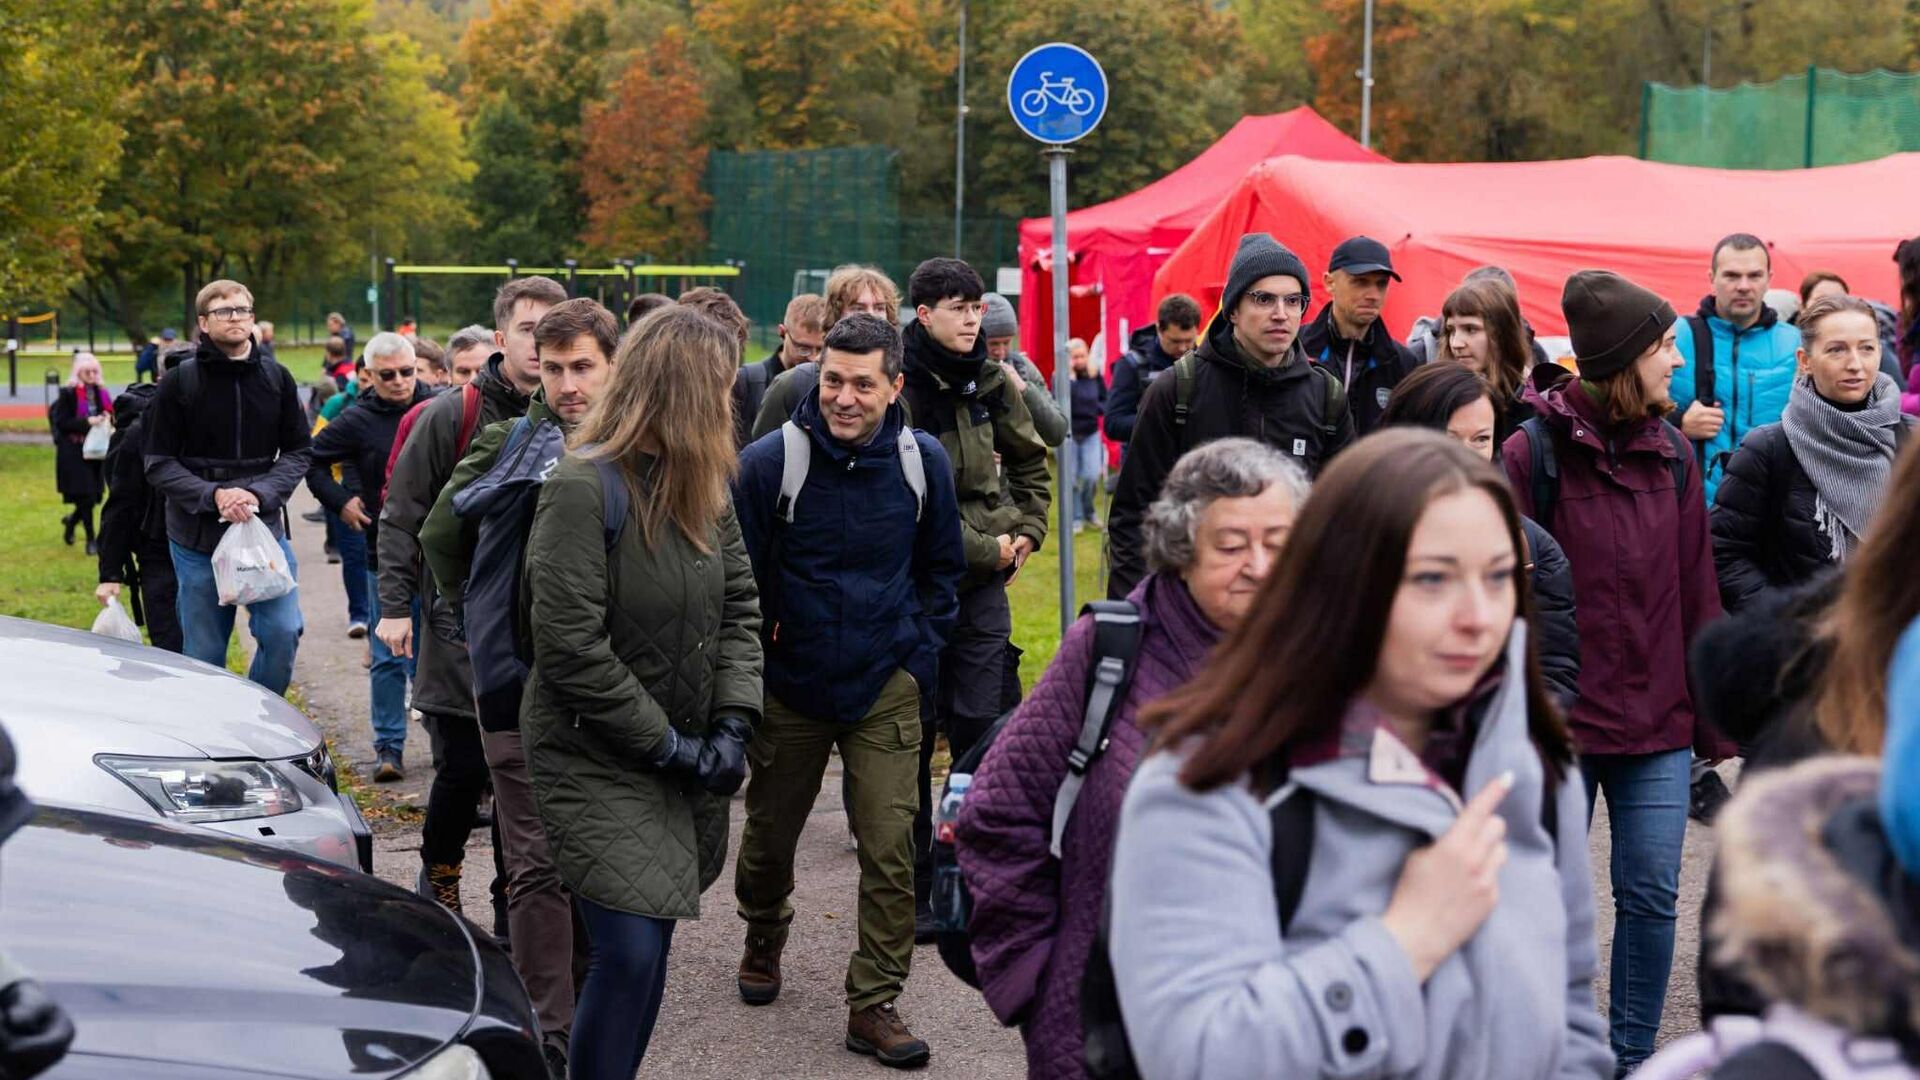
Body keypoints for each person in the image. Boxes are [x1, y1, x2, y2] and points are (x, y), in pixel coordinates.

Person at [1106, 429, 1609, 1080]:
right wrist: (1404, 943)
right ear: (1341, 584)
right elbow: (1199, 1057)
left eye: (1499, 577)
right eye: (1432, 579)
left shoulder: (1537, 764)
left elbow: (1571, 1016)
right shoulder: (1207, 779)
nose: (1479, 617)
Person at [957, 438, 1307, 1080]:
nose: (1259, 565)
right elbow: (998, 815)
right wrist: (1040, 985)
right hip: (1105, 1037)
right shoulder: (1111, 648)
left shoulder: (1324, 664)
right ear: (1181, 548)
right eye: (1231, 546)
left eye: (1279, 543)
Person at [521, 305, 762, 1080]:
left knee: (649, 945)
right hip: (594, 753)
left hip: (683, 759)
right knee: (626, 948)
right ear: (684, 391)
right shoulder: (582, 487)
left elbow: (742, 613)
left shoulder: (705, 486)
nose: (730, 403)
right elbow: (568, 647)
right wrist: (667, 744)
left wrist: (732, 722)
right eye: (718, 389)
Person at [1502, 270, 1729, 1072]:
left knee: (1651, 895)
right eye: (1665, 346)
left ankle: (1631, 1056)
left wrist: (1713, 718)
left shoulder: (1674, 454)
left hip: (1660, 722)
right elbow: (1506, 592)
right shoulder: (1531, 454)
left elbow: (1699, 589)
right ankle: (1552, 1051)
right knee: (1547, 901)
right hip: (1562, 723)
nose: (1677, 361)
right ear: (1625, 358)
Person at [730, 313, 965, 1068]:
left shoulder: (921, 461)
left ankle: (874, 1002)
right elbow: (740, 581)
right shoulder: (770, 463)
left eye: (864, 383)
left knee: (893, 847)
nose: (845, 397)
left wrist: (916, 658)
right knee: (768, 841)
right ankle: (763, 931)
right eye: (833, 379)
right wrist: (759, 655)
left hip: (884, 684)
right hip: (791, 686)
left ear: (894, 386)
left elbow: (942, 574)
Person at [416, 298, 619, 1010]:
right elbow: (439, 536)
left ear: (613, 368)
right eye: (555, 368)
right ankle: (551, 1025)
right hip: (514, 684)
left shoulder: (638, 450)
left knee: (585, 857)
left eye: (583, 368)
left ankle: (585, 1003)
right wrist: (481, 616)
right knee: (536, 861)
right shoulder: (505, 442)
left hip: (609, 687)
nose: (567, 385)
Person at [378, 275, 562, 1054]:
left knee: (524, 787)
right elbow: (407, 516)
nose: (539, 343)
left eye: (552, 331)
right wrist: (394, 607)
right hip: (459, 630)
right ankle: (442, 873)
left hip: (539, 639)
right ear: (501, 335)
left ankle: (512, 914)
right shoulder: (448, 416)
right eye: (527, 329)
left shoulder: (581, 414)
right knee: (461, 768)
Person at [894, 257, 1052, 940]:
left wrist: (1030, 530)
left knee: (982, 728)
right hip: (914, 591)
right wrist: (991, 548)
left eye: (977, 305)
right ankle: (918, 889)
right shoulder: (897, 386)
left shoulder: (992, 380)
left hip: (985, 590)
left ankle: (972, 872)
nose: (971, 319)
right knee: (908, 738)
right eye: (956, 307)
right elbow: (910, 504)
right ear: (923, 313)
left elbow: (1030, 461)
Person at [1107, 232, 1356, 601]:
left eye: (1293, 300)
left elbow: (1346, 517)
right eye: (1263, 298)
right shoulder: (1179, 388)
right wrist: (1138, 618)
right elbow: (1134, 515)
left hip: (1289, 610)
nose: (1280, 313)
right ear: (1233, 310)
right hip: (1193, 608)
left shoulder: (1325, 395)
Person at [1380, 361, 1581, 708]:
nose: (1466, 455)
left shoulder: (1529, 547)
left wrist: (1504, 737)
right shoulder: (1358, 532)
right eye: (1450, 438)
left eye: (1481, 439)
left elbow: (1553, 673)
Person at [143, 279, 309, 694]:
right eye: (223, 311)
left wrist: (259, 494)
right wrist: (212, 495)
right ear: (203, 321)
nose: (234, 318)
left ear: (252, 318)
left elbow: (298, 451)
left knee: (283, 631)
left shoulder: (277, 378)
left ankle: (259, 715)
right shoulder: (180, 383)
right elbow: (158, 462)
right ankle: (214, 736)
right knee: (204, 651)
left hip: (261, 531)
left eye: (242, 310)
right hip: (196, 536)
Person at [1711, 295, 1913, 613]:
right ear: (1805, 360)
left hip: (1898, 641)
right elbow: (1725, 553)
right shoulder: (1769, 448)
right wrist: (1786, 622)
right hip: (1807, 647)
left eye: (1867, 348)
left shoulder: (1912, 439)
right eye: (1836, 349)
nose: (1855, 364)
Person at [305, 332, 436, 781]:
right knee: (388, 654)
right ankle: (388, 748)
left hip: (442, 551)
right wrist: (341, 502)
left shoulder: (439, 407)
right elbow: (313, 461)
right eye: (388, 375)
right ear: (370, 375)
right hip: (387, 551)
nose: (400, 381)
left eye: (407, 372)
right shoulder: (358, 419)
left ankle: (447, 748)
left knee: (440, 655)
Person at [1671, 233, 1804, 502]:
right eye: (1732, 276)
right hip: (1693, 505)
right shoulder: (1676, 337)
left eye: (1754, 276)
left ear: (1769, 279)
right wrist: (1679, 423)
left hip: (1771, 506)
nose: (1743, 286)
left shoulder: (1796, 343)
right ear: (1712, 278)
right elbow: (1633, 411)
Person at [96, 341, 192, 653]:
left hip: (203, 549)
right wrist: (111, 573)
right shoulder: (140, 432)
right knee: (171, 646)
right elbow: (121, 503)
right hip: (157, 549)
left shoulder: (212, 425)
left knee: (201, 647)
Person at [751, 265, 903, 442]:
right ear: (835, 314)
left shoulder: (896, 389)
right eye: (858, 307)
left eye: (879, 308)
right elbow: (762, 457)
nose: (870, 315)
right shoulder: (791, 385)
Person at [1300, 235, 1419, 435]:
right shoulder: (1295, 348)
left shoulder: (1403, 364)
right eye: (1360, 282)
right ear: (1330, 283)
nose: (1373, 295)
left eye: (1381, 284)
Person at [1442, 278, 1536, 446]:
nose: (1456, 343)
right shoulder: (1437, 400)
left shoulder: (1535, 409)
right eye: (1451, 330)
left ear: (1502, 334)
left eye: (1471, 329)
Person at [732, 293, 827, 449]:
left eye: (821, 349)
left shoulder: (830, 388)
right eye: (803, 348)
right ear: (782, 333)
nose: (813, 358)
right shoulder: (747, 381)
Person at [1107, 294, 1203, 445]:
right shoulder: (1132, 365)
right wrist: (1165, 422)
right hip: (1148, 461)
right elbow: (1113, 424)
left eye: (1189, 341)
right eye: (1175, 341)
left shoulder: (1205, 362)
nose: (1183, 348)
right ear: (1159, 329)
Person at [981, 293, 1069, 448]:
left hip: (1020, 468)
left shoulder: (1023, 367)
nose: (1001, 352)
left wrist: (1024, 389)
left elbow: (1057, 432)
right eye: (993, 344)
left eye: (1007, 342)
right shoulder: (965, 371)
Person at [49, 353, 112, 555]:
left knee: (96, 497)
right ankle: (91, 540)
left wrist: (105, 418)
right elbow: (62, 423)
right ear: (79, 372)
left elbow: (110, 414)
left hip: (97, 450)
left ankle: (71, 521)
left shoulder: (101, 393)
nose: (92, 375)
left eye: (95, 371)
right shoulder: (68, 394)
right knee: (85, 496)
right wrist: (87, 422)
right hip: (75, 451)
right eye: (88, 371)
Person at [1066, 338, 1106, 532]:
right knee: (1071, 478)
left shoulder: (1094, 374)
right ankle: (1077, 517)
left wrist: (1096, 409)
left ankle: (1089, 512)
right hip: (1070, 433)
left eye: (1082, 356)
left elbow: (1105, 399)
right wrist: (1071, 380)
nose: (1080, 360)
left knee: (1091, 475)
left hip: (1090, 432)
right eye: (1075, 357)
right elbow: (1060, 402)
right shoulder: (1062, 377)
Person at [326, 312, 356, 384]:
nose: (328, 328)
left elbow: (340, 352)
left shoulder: (345, 336)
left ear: (338, 323)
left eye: (330, 325)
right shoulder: (338, 335)